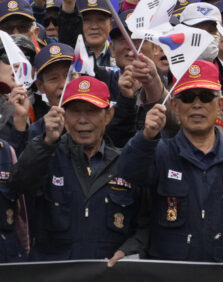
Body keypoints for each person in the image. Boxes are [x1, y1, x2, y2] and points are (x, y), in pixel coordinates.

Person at [118, 61, 223, 262]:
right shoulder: (159, 154)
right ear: (174, 106)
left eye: (206, 96)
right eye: (187, 97)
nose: (197, 104)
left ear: (220, 105)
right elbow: (128, 174)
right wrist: (146, 137)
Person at [10, 76, 145, 263]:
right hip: (53, 275)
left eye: (91, 111)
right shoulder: (46, 155)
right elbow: (19, 184)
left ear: (108, 116)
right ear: (63, 116)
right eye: (74, 112)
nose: (82, 120)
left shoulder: (125, 163)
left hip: (107, 275)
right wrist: (47, 142)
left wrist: (127, 250)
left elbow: (146, 225)